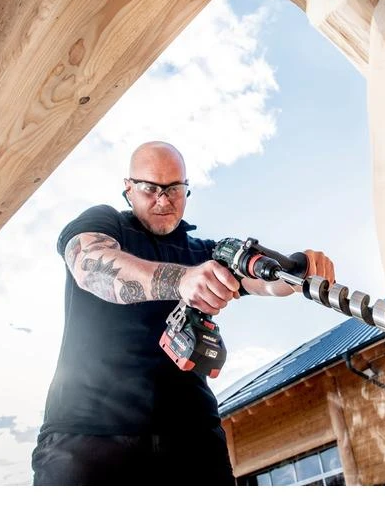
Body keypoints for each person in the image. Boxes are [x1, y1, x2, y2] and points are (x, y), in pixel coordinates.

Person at [31, 141, 335, 485]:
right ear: (128, 189)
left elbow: (263, 284)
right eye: (150, 188)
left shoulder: (205, 253)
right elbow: (89, 265)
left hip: (192, 437)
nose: (163, 200)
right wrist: (182, 280)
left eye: (174, 188)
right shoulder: (105, 222)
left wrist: (297, 273)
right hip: (88, 436)